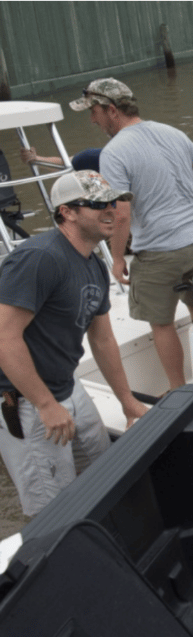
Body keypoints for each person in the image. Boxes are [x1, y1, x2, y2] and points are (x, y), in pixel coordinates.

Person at [0, 171, 148, 516]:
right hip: (26, 400)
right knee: (53, 510)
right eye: (97, 204)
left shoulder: (94, 264)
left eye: (112, 201)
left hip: (68, 386)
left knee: (103, 473)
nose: (111, 210)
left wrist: (127, 402)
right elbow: (5, 337)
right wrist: (45, 404)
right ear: (66, 212)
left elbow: (103, 337)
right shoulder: (39, 257)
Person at [71, 78, 193, 391]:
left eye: (94, 111)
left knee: (161, 323)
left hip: (160, 250)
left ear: (112, 110)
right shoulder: (172, 132)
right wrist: (174, 196)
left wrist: (117, 261)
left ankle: (180, 392)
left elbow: (121, 214)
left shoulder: (114, 152)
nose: (92, 119)